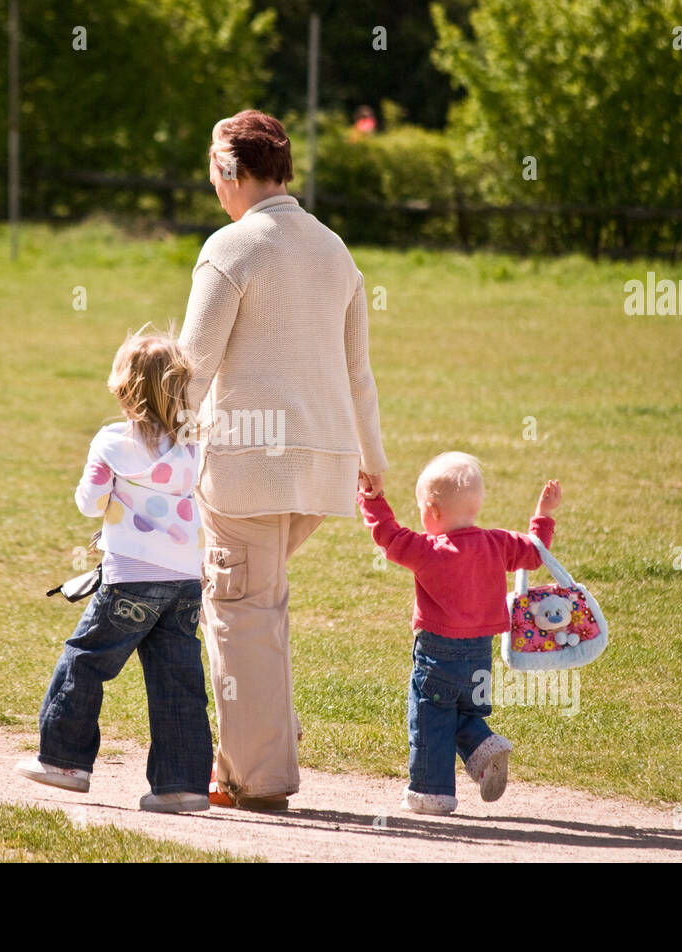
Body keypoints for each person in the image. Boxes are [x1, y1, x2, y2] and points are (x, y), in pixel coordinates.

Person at [179, 109, 388, 810]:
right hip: (321, 472)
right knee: (254, 605)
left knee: (241, 611)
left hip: (245, 472)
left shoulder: (232, 248)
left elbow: (192, 366)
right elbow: (359, 372)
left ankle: (259, 777)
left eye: (215, 169)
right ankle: (260, 740)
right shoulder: (334, 249)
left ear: (231, 172)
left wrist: (153, 448)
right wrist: (373, 459)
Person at [17, 329, 213, 814]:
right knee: (178, 680)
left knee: (86, 660)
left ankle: (64, 763)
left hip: (130, 578)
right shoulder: (194, 445)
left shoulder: (112, 442)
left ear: (124, 389)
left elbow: (89, 503)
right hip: (184, 581)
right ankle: (182, 787)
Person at [358, 452, 561, 815]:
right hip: (481, 655)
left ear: (433, 510)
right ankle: (484, 746)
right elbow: (534, 554)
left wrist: (371, 499)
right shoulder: (496, 543)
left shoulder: (427, 550)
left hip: (438, 655)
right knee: (459, 712)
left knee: (430, 716)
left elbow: (389, 537)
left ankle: (430, 793)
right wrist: (543, 516)